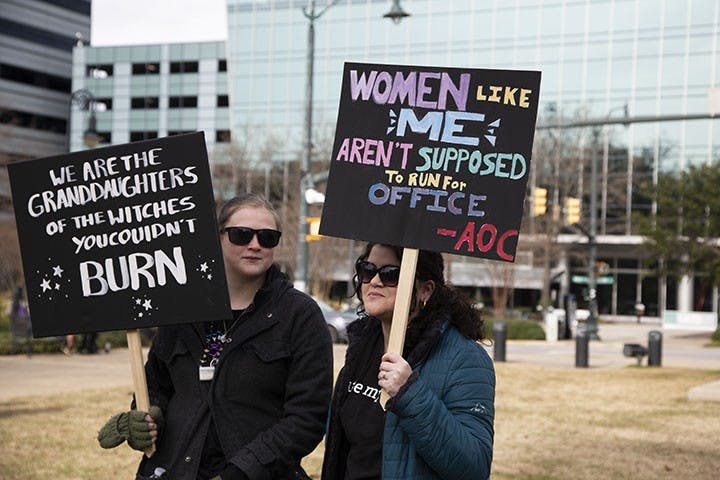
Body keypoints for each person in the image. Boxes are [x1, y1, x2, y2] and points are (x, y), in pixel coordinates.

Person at [97, 193, 334, 480]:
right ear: (218, 237)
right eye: (241, 235)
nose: (255, 245)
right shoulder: (183, 308)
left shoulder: (300, 315)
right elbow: (156, 384)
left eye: (268, 237)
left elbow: (307, 417)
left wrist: (240, 472)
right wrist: (147, 416)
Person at [322, 243, 495, 480]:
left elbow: (474, 467)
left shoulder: (465, 357)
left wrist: (409, 393)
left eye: (391, 274)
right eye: (367, 269)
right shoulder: (360, 348)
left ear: (425, 289)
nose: (374, 281)